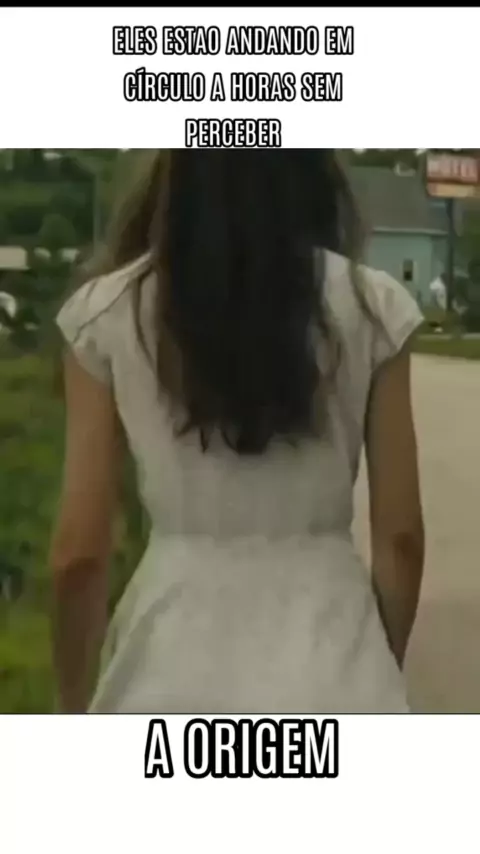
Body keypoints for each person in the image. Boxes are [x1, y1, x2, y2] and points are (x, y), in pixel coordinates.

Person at [50, 150, 425, 714]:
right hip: (336, 660)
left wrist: (72, 704)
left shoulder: (104, 314)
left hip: (165, 668)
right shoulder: (375, 307)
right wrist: (373, 669)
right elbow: (401, 540)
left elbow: (79, 555)